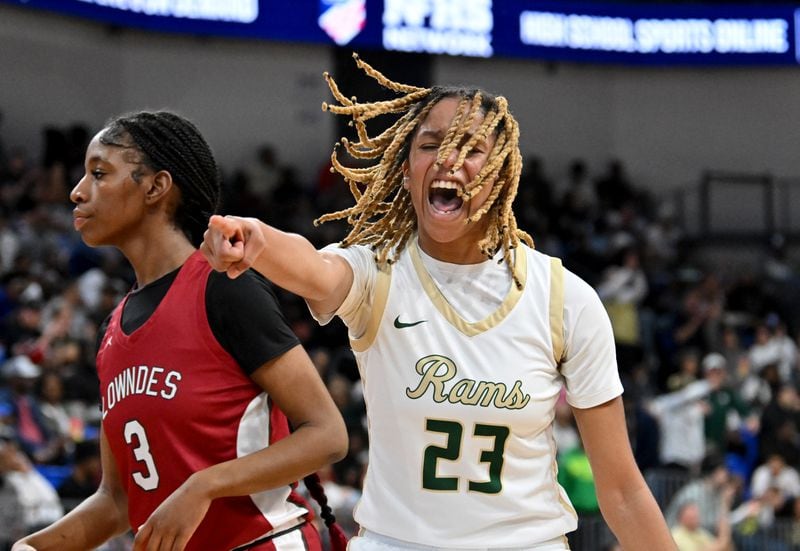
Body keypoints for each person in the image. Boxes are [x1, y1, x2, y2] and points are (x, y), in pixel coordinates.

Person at [202, 54, 675, 550]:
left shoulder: (565, 299)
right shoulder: (376, 273)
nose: (448, 159)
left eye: (470, 148)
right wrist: (256, 239)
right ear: (407, 172)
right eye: (430, 145)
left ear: (499, 178)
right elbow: (314, 268)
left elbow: (621, 491)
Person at [12, 110, 348, 551]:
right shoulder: (111, 329)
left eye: (99, 174)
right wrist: (34, 547)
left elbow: (327, 435)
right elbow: (117, 500)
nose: (77, 192)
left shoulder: (223, 289)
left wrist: (204, 485)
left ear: (156, 187)